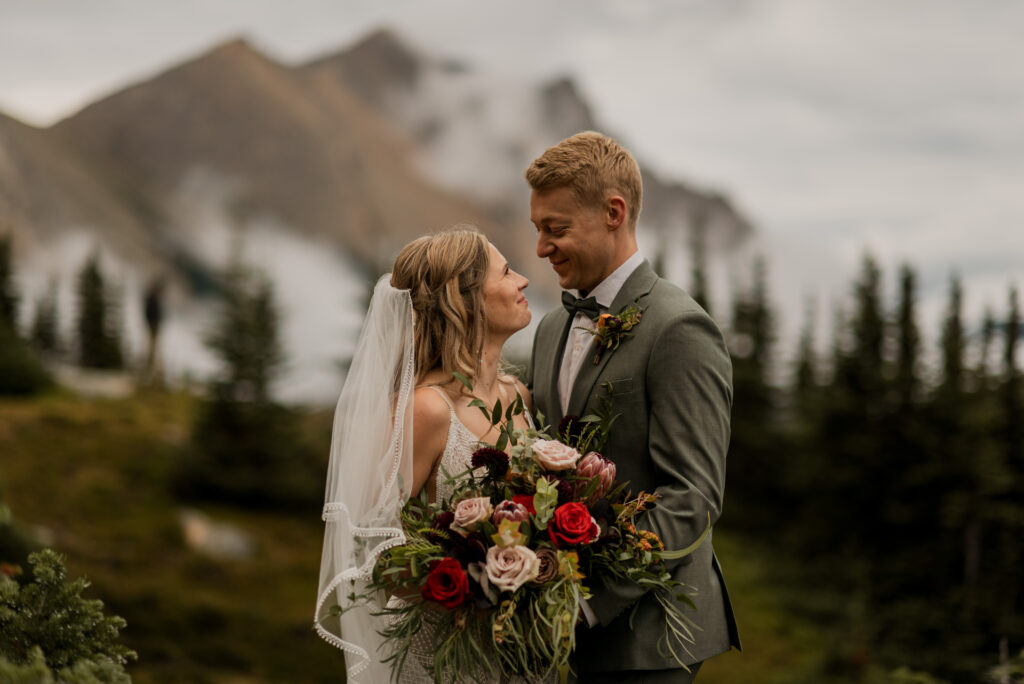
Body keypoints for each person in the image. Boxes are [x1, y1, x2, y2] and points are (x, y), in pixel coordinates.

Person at [525, 132, 741, 683]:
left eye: (556, 229)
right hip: (555, 636)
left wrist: (584, 604)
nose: (541, 248)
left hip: (649, 638)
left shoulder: (679, 327)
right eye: (538, 230)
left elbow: (691, 496)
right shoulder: (551, 328)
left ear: (613, 213)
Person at [314, 227, 535, 683]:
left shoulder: (521, 397)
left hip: (520, 653)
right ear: (466, 299)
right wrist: (475, 579)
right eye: (508, 271)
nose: (524, 281)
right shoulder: (426, 410)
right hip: (443, 657)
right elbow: (377, 551)